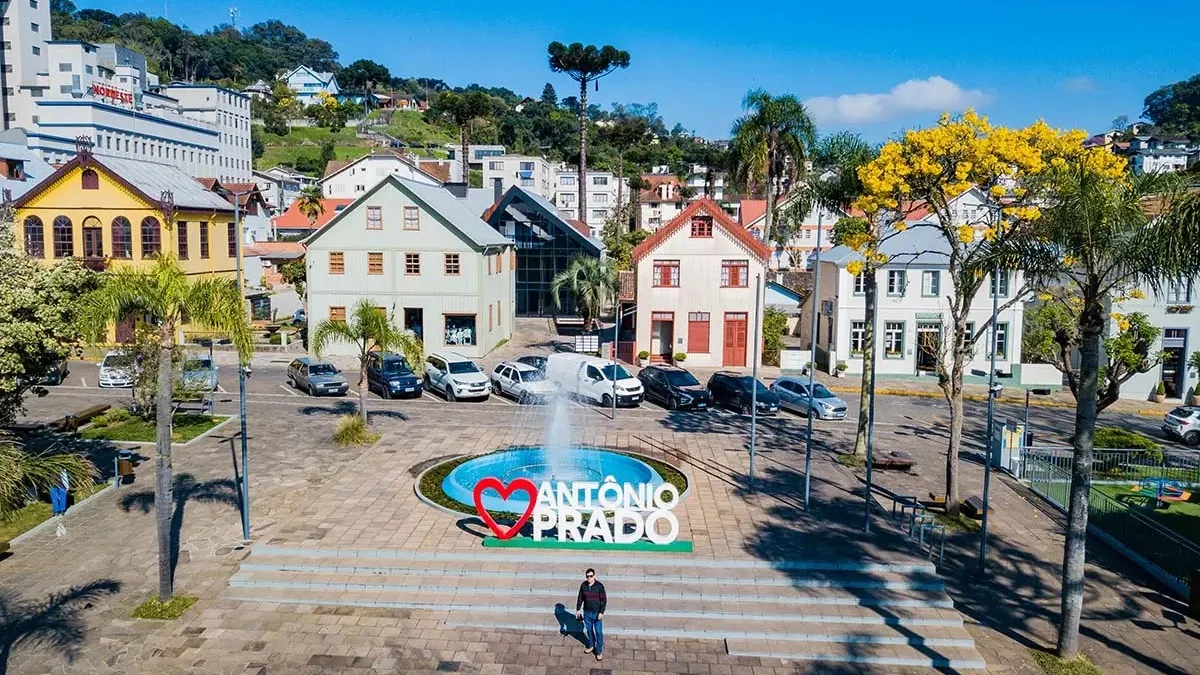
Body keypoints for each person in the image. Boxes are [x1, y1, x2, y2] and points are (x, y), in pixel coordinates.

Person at [575, 567, 607, 661]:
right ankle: (591, 645)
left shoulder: (599, 586)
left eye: (591, 576)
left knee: (598, 632)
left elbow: (604, 600)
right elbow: (580, 598)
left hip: (597, 613)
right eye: (587, 576)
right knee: (589, 631)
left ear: (594, 576)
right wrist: (578, 609)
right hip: (587, 612)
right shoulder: (583, 585)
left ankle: (599, 651)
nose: (589, 578)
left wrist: (601, 612)